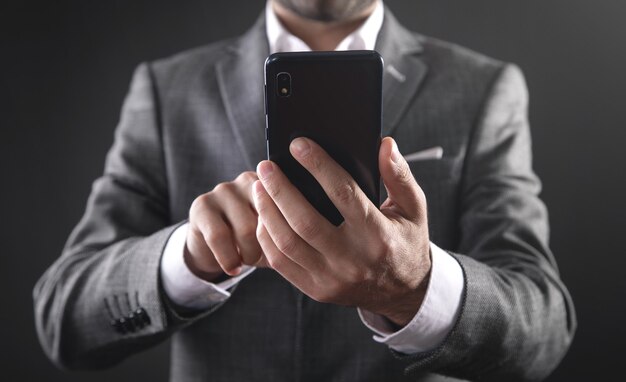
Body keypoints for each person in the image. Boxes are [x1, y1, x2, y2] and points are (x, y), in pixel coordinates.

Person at [33, 0, 576, 381]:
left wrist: (416, 287)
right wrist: (191, 257)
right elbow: (63, 319)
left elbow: (543, 331)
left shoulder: (483, 89)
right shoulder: (167, 88)